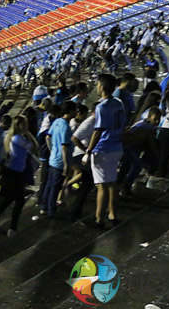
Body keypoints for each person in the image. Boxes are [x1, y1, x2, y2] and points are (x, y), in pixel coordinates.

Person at [83, 73, 125, 229]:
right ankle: (112, 214)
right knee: (112, 183)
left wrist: (88, 151)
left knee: (102, 186)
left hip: (104, 149)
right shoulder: (119, 103)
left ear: (101, 87)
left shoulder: (102, 106)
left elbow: (98, 131)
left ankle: (98, 219)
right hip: (117, 147)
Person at [0, 115, 38, 235]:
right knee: (19, 201)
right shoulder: (18, 139)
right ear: (18, 125)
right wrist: (28, 133)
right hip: (15, 174)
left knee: (8, 199)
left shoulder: (12, 137)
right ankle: (12, 228)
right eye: (24, 124)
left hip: (13, 172)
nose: (26, 126)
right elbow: (35, 147)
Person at [43, 101, 76, 216]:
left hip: (53, 159)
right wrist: (66, 165)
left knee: (49, 184)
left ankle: (45, 205)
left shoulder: (57, 121)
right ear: (70, 111)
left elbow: (48, 137)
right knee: (55, 187)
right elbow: (65, 147)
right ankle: (51, 210)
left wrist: (52, 150)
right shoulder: (66, 127)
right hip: (60, 162)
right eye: (75, 110)